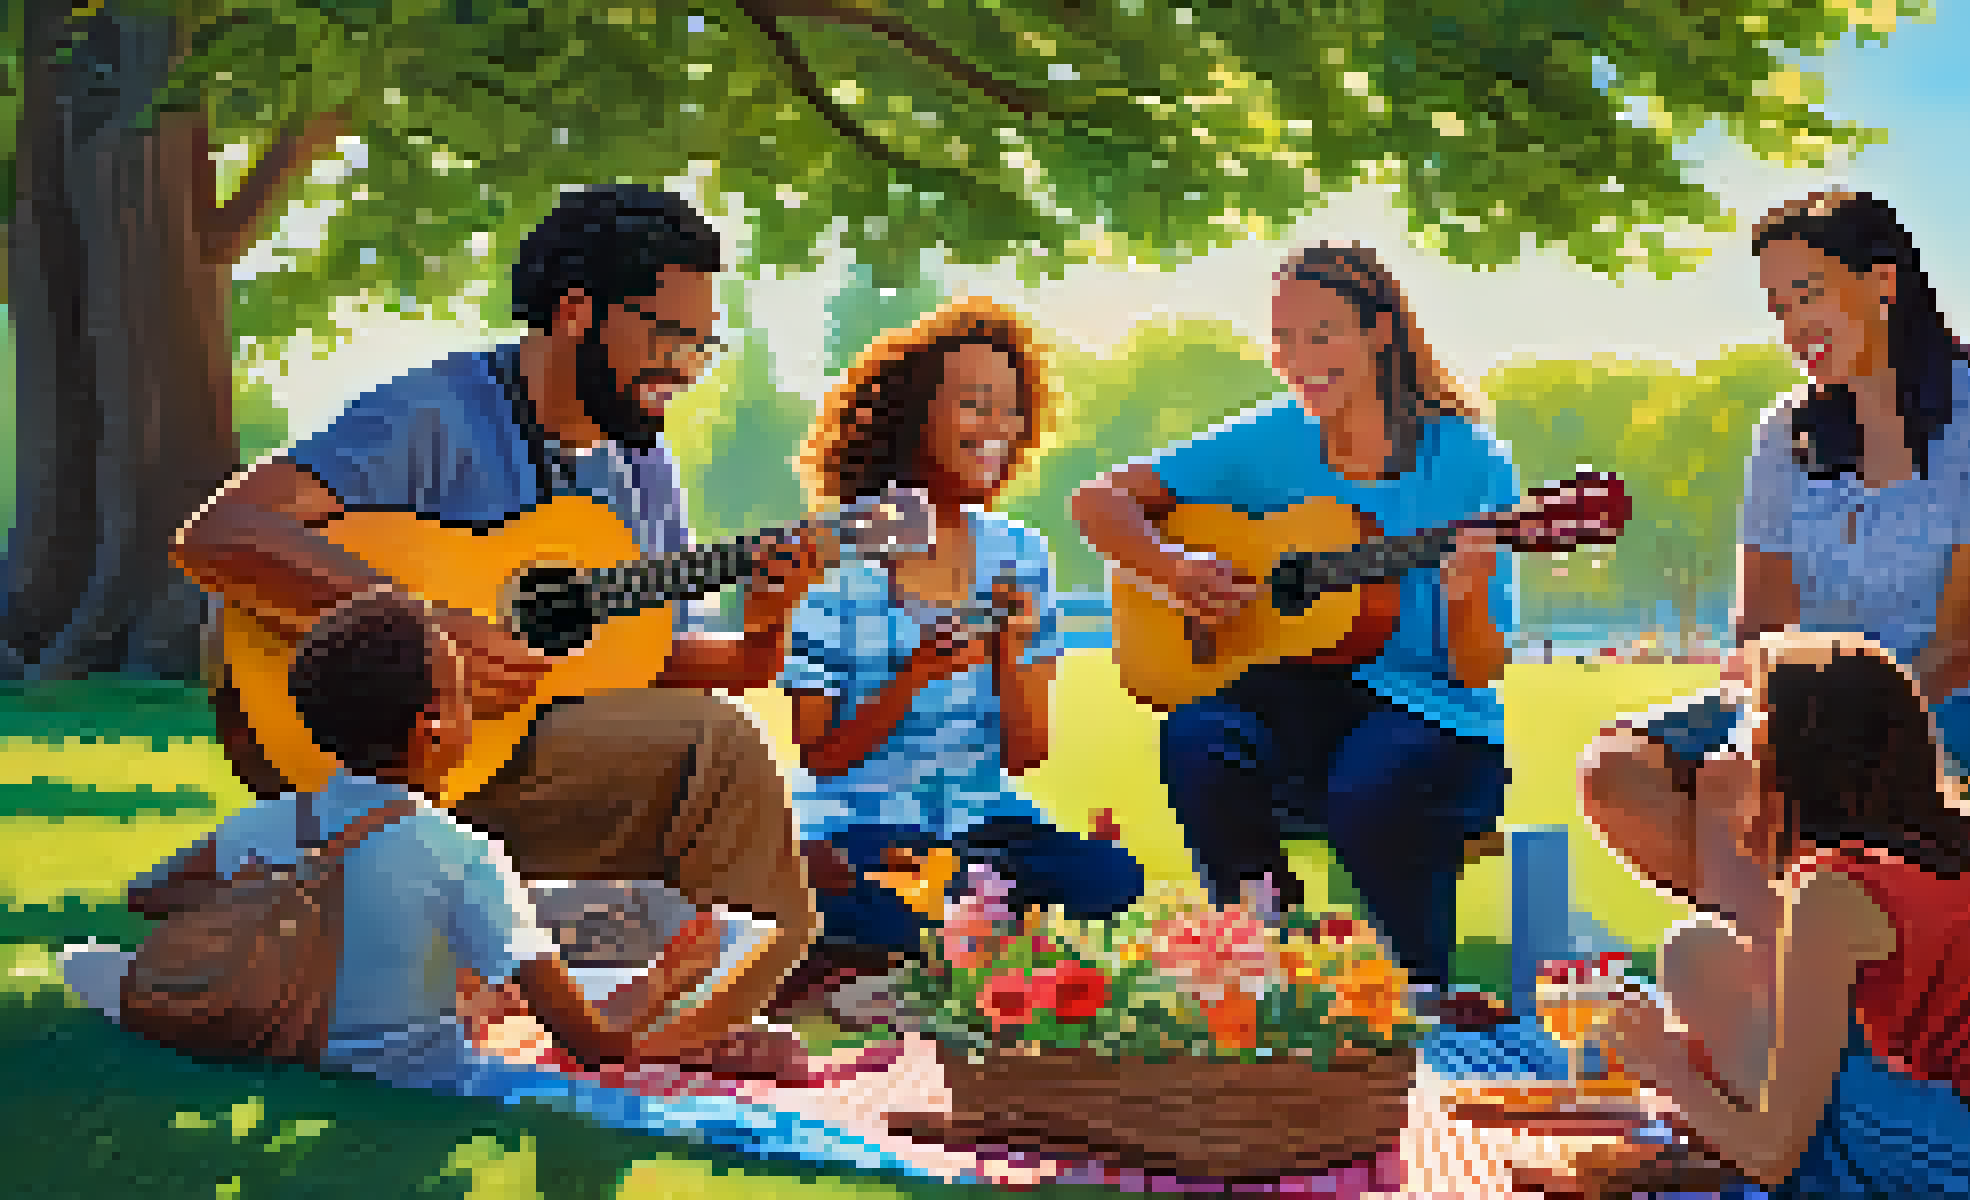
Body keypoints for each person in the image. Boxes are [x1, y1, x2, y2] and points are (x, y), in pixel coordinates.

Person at [170, 184, 833, 1055]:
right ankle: (687, 1024)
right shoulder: (435, 415)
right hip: (377, 755)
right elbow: (218, 536)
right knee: (721, 750)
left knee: (721, 739)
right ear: (574, 311)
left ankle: (696, 1001)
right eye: (667, 335)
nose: (685, 364)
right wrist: (424, 627)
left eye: (701, 342)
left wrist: (765, 631)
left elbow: (651, 664)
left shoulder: (644, 471)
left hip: (519, 753)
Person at [1071, 243, 1518, 1026]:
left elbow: (1477, 669)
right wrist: (1174, 571)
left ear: (1381, 333)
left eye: (1322, 335)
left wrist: (1469, 597)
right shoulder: (1271, 437)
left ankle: (1416, 988)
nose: (1296, 360)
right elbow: (1098, 502)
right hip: (1300, 702)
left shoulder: (1468, 460)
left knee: (1370, 783)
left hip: (1435, 717)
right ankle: (1261, 959)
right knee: (1200, 735)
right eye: (1282, 339)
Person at [1575, 631, 1970, 1197]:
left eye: (1748, 731)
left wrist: (1665, 1069)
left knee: (1752, 1049)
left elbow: (1776, 1152)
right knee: (1710, 969)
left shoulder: (1834, 891)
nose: (1730, 752)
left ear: (1795, 762)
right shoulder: (1969, 850)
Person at [82, 588, 732, 1091]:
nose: (474, 708)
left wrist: (262, 898)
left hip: (287, 1036)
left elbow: (146, 897)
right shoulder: (461, 854)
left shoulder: (267, 824)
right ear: (432, 729)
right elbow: (591, 1045)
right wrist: (671, 979)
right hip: (424, 1074)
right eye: (462, 694)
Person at [1581, 189, 1970, 863]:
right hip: (1802, 712)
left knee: (1818, 789)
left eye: (1810, 295)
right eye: (1779, 308)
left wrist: (1813, 743)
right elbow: (1760, 632)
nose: (1793, 326)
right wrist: (1773, 726)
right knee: (1619, 767)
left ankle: (1820, 938)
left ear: (1883, 283)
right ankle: (1766, 935)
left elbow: (1964, 647)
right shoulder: (1784, 434)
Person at [778, 297, 1145, 1007]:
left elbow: (1026, 755)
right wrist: (912, 676)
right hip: (865, 827)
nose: (998, 430)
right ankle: (944, 942)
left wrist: (1012, 652)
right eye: (975, 405)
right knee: (887, 900)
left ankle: (918, 949)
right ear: (912, 418)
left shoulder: (1019, 552)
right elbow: (819, 755)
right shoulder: (843, 561)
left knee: (1111, 879)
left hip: (980, 826)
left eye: (1010, 410)